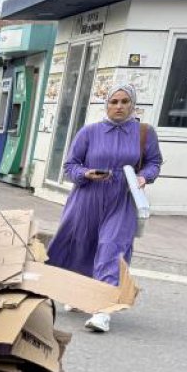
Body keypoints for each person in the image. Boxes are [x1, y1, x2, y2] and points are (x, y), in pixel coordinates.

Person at [47, 83, 162, 333]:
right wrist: (86, 173)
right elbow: (70, 166)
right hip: (87, 197)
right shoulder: (89, 132)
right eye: (114, 102)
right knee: (81, 245)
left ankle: (102, 310)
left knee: (112, 248)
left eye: (124, 102)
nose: (119, 106)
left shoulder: (144, 133)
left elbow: (154, 162)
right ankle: (82, 293)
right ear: (106, 105)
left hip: (122, 198)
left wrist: (144, 177)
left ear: (132, 105)